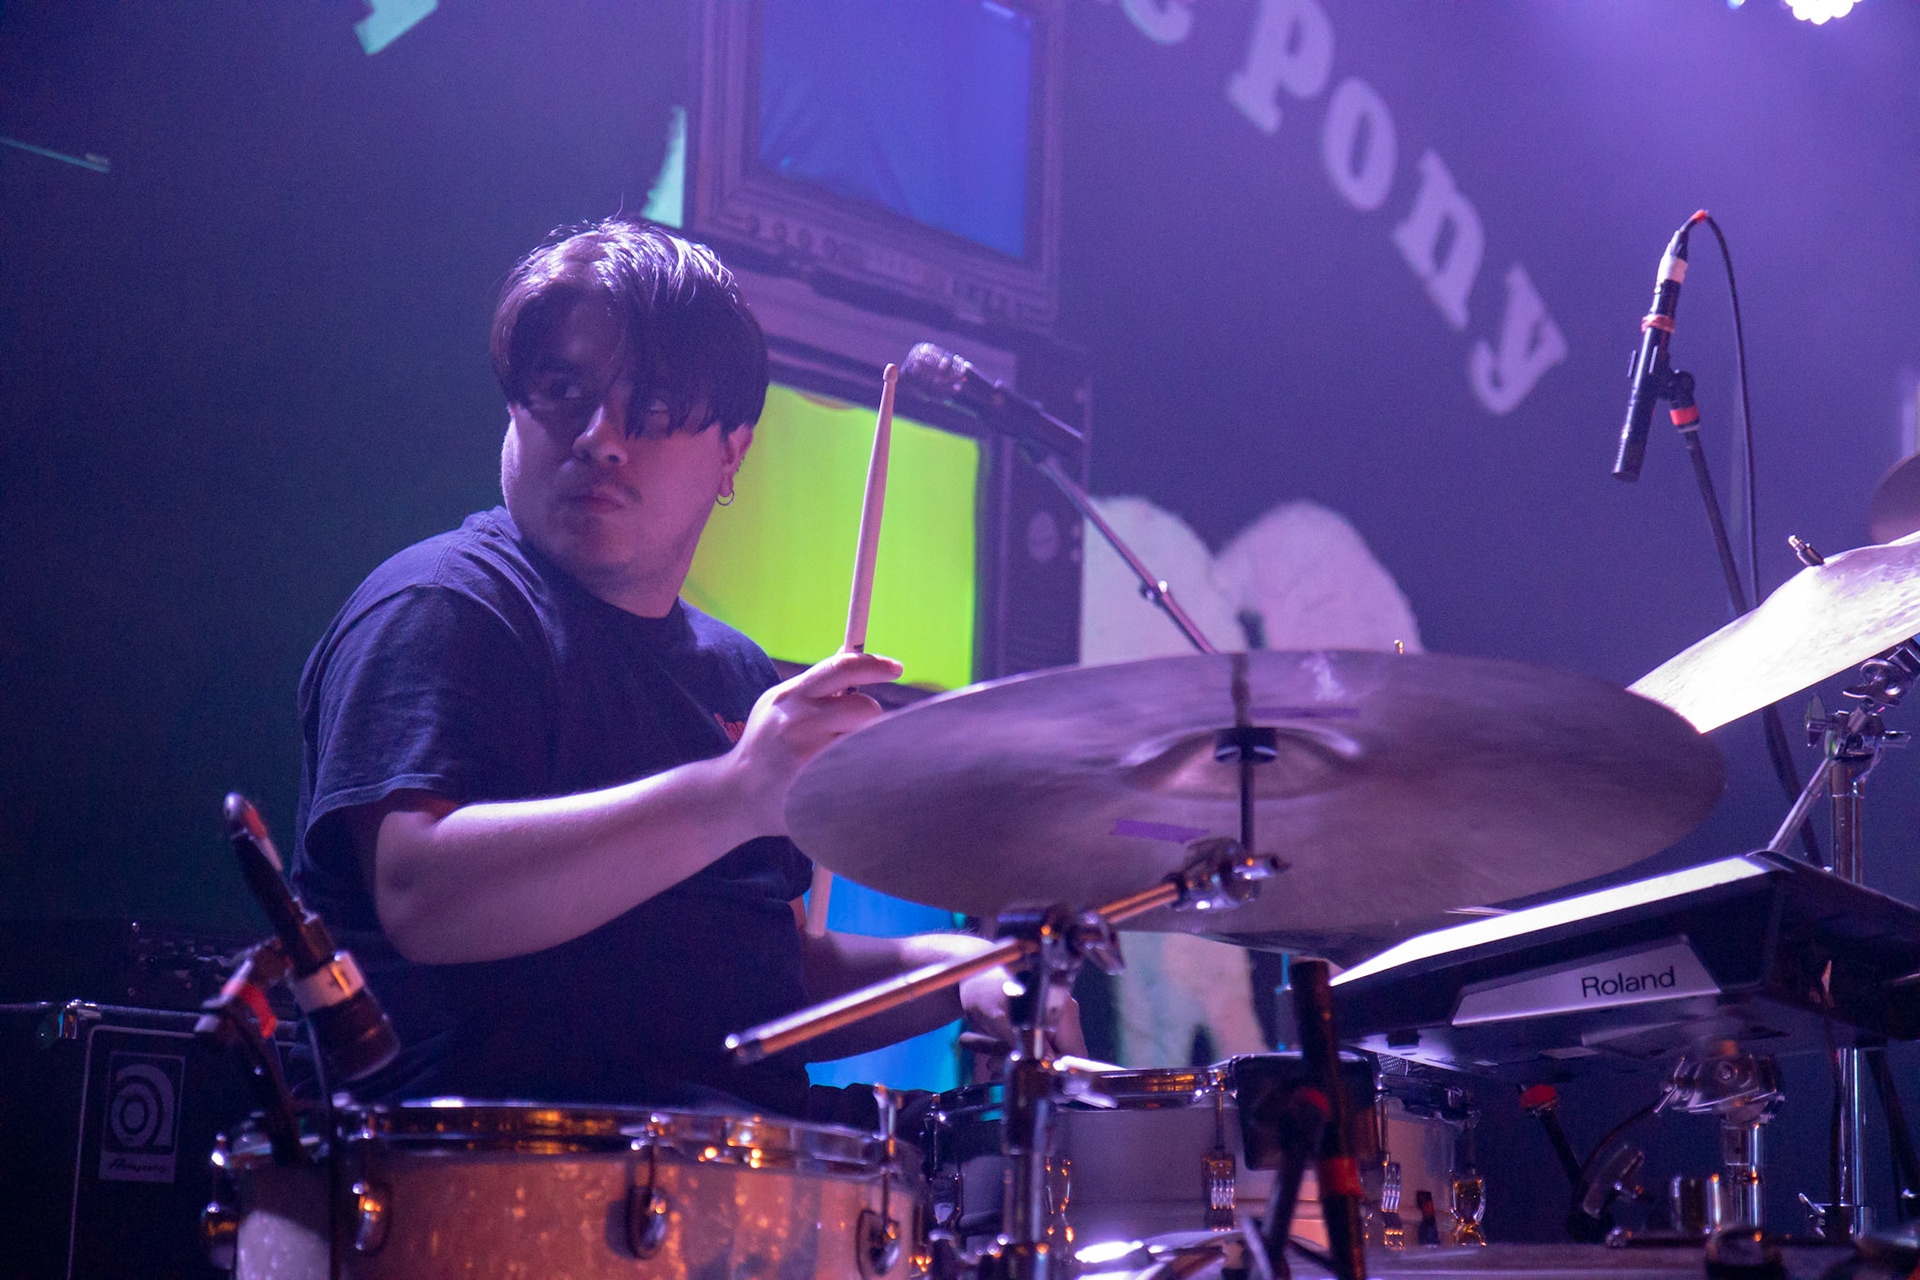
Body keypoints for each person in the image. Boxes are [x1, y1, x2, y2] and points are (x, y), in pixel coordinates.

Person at [291, 218, 1073, 1118]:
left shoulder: (735, 675)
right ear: (514, 408)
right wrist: (734, 791)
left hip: (733, 1162)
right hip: (508, 1166)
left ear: (733, 452)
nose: (601, 437)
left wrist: (958, 970)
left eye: (654, 406)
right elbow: (420, 896)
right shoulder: (444, 605)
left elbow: (765, 980)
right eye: (563, 390)